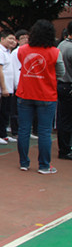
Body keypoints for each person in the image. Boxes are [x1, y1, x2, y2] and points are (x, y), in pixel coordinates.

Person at [16, 20, 64, 173]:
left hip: (25, 93)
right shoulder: (55, 52)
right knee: (44, 131)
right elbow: (61, 72)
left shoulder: (22, 50)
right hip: (46, 95)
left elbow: (22, 63)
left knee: (24, 130)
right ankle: (44, 165)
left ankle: (24, 163)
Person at [0, 30, 18, 144]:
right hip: (1, 88)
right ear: (2, 39)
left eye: (14, 39)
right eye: (10, 38)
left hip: (9, 88)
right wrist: (3, 88)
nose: (12, 41)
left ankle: (3, 134)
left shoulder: (8, 52)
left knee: (6, 112)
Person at [57, 22, 72, 160]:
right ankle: (66, 149)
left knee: (64, 118)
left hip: (62, 85)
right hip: (68, 85)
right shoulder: (70, 47)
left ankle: (65, 148)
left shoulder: (61, 45)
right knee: (67, 120)